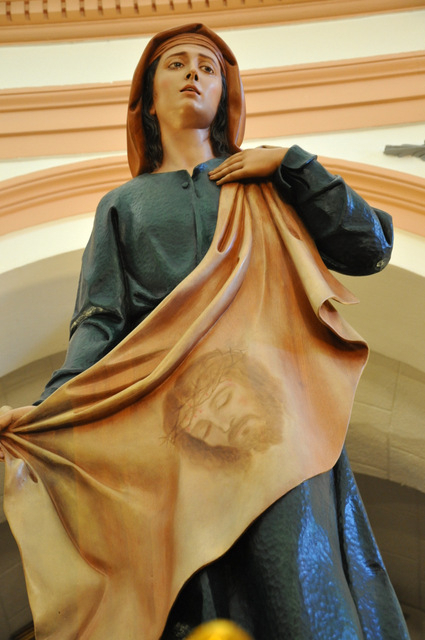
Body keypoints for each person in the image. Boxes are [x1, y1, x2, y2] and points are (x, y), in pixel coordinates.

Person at [0, 23, 409, 640]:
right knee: (190, 588)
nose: (193, 73)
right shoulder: (125, 204)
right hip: (178, 422)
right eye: (176, 64)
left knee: (296, 579)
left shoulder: (267, 186)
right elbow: (100, 320)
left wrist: (292, 165)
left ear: (225, 96)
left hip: (274, 418)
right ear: (148, 99)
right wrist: (52, 408)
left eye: (208, 67)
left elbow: (370, 247)